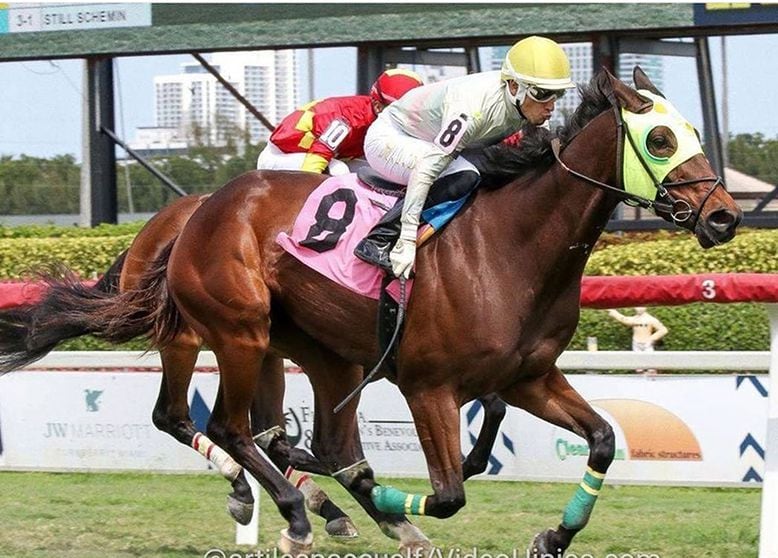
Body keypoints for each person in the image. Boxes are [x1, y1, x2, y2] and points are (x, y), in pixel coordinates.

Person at [355, 35, 575, 277]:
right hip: (389, 138)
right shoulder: (472, 111)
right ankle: (381, 238)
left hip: (429, 137)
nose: (551, 105)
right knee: (464, 175)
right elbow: (428, 168)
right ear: (514, 87)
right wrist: (406, 239)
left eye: (558, 94)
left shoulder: (520, 102)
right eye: (543, 94)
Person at [256, 68, 424, 175]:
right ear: (377, 104)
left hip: (321, 158)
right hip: (283, 157)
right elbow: (316, 161)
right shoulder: (348, 118)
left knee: (381, 172)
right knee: (340, 172)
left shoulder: (385, 118)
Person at [607, 307, 668, 374]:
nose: (639, 308)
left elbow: (663, 330)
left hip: (647, 344)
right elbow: (625, 319)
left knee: (651, 365)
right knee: (638, 366)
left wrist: (651, 338)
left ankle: (652, 379)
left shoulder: (651, 319)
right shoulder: (634, 319)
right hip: (636, 343)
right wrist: (614, 312)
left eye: (641, 306)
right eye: (637, 306)